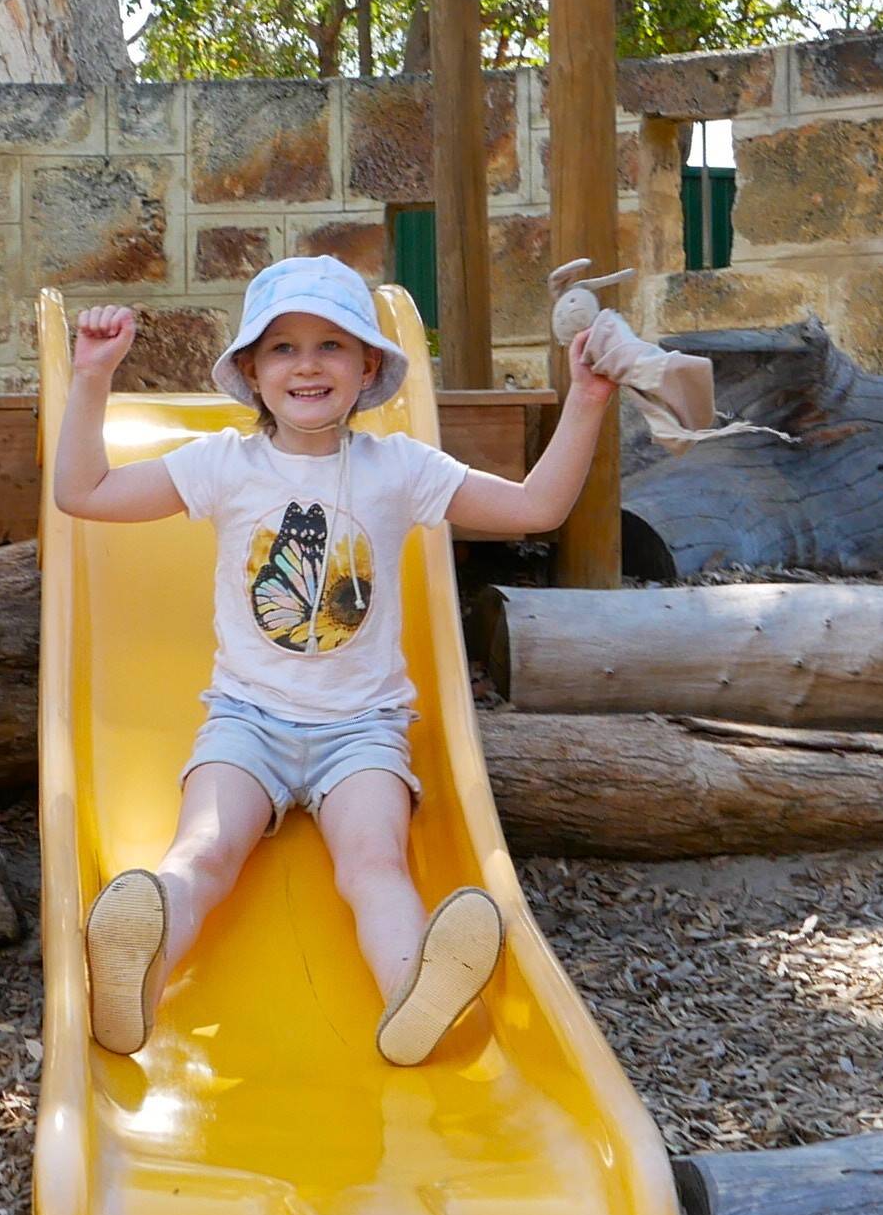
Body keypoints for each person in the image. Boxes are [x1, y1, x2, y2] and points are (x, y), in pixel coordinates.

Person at [50, 256, 623, 1067]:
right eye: (282, 348)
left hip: (362, 731)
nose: (308, 364)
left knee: (375, 863)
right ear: (251, 371)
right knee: (203, 852)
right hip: (246, 722)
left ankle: (410, 994)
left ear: (367, 370)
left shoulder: (401, 469)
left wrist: (589, 401)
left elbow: (536, 506)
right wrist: (92, 378)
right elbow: (84, 493)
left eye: (331, 345)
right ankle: (136, 969)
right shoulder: (224, 465)